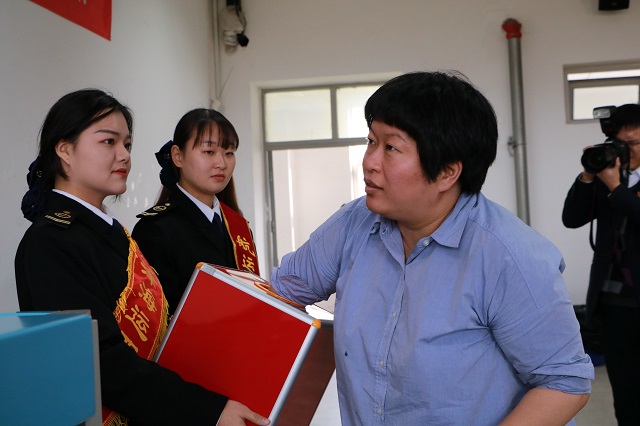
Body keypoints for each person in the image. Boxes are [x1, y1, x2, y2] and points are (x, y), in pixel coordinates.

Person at [268, 71, 594, 425]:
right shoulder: (354, 223)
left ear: (447, 173)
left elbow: (564, 383)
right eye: (371, 141)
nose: (369, 161)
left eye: (391, 148)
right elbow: (280, 294)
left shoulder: (510, 256)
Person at [14, 89, 269, 426]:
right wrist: (206, 409)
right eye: (109, 142)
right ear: (65, 150)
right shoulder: (52, 240)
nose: (124, 155)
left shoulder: (107, 232)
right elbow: (102, 362)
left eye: (127, 144)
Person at [131, 108, 259, 315]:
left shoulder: (237, 226)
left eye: (229, 153)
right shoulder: (154, 229)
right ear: (178, 156)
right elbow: (159, 316)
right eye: (209, 152)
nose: (221, 163)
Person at [562, 103, 640, 425]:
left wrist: (616, 188)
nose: (626, 150)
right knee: (626, 394)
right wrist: (588, 175)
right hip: (614, 305)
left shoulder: (615, 184)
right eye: (620, 143)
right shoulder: (607, 175)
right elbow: (571, 218)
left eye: (633, 143)